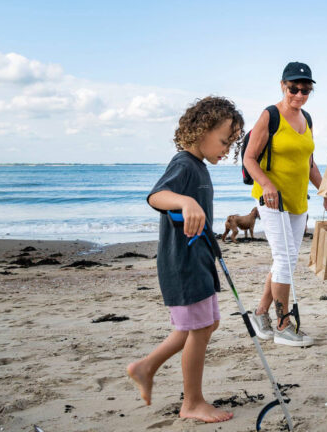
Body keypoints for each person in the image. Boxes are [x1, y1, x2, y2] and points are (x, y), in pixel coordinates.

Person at [127, 96, 245, 423]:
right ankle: (192, 402)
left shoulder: (200, 167)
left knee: (205, 324)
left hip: (199, 261)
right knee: (199, 326)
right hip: (183, 266)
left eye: (232, 143)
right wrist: (185, 202)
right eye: (223, 141)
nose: (226, 148)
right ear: (200, 131)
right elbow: (156, 196)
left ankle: (145, 367)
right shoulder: (183, 165)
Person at [244, 62, 327, 347]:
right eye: (293, 88)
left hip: (298, 201)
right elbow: (249, 157)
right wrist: (268, 185)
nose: (299, 94)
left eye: (305, 89)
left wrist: (325, 191)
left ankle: (260, 314)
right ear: (282, 85)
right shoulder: (269, 116)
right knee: (285, 259)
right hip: (271, 200)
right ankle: (283, 325)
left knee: (285, 259)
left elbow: (308, 162)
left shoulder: (306, 118)